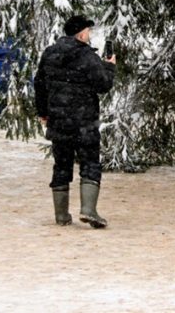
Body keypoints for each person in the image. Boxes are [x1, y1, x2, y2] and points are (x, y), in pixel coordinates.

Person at [35, 14, 116, 228]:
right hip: (84, 121)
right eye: (88, 31)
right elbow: (103, 85)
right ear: (81, 33)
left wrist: (43, 112)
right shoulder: (88, 57)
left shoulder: (50, 54)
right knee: (90, 162)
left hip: (58, 120)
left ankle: (61, 215)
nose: (90, 35)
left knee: (61, 164)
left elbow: (39, 84)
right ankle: (88, 209)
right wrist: (109, 66)